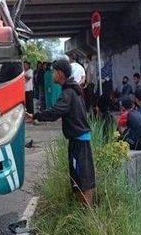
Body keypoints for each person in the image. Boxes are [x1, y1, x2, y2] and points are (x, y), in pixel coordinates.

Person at [25, 59, 95, 207]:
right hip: (78, 140)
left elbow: (55, 112)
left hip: (79, 142)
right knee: (78, 178)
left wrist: (35, 116)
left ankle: (88, 216)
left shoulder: (68, 93)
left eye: (54, 72)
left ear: (60, 74)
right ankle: (83, 213)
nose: (52, 75)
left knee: (83, 180)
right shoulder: (72, 89)